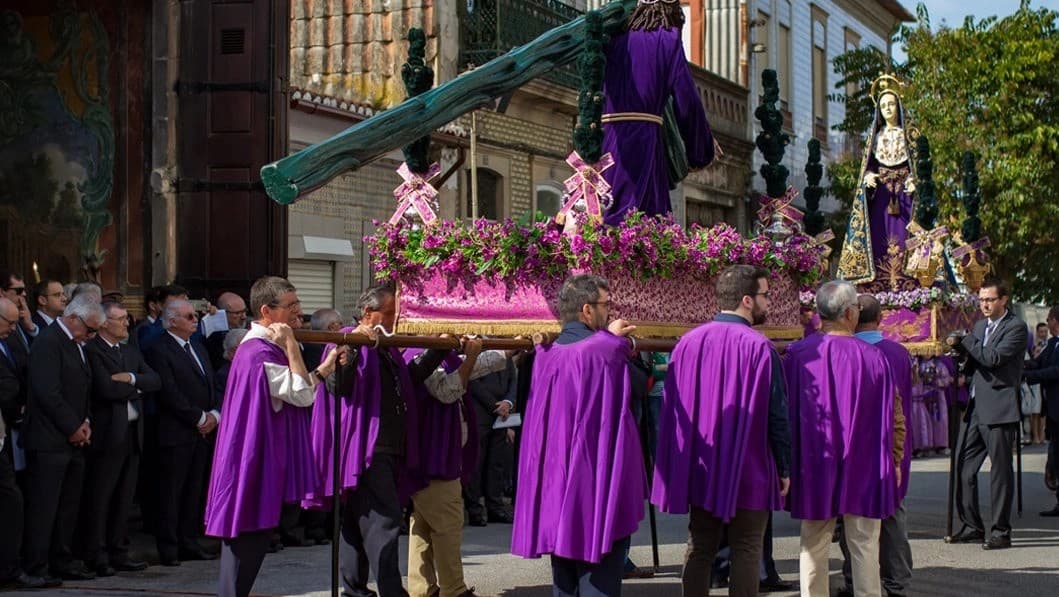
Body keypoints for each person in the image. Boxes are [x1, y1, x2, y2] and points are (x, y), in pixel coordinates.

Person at [651, 264, 791, 597]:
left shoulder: (687, 343)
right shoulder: (760, 347)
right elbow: (777, 415)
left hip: (701, 462)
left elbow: (674, 408)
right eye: (765, 296)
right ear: (747, 300)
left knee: (700, 545)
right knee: (746, 547)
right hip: (751, 464)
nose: (769, 303)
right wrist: (784, 466)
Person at [307, 283, 448, 597]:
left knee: (360, 524)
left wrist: (440, 348)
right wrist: (356, 348)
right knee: (382, 523)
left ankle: (355, 590)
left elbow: (409, 379)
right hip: (366, 450)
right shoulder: (346, 338)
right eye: (389, 314)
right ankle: (389, 592)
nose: (395, 320)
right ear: (369, 314)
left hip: (386, 446)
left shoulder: (386, 346)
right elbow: (336, 386)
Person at [511, 274, 646, 597]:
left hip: (555, 484)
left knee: (565, 580)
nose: (609, 312)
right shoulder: (603, 349)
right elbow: (638, 385)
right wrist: (617, 341)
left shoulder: (546, 352)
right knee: (598, 579)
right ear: (587, 310)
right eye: (605, 305)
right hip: (593, 484)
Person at [204, 276, 338, 597]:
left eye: (298, 304)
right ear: (267, 311)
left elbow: (296, 391)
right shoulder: (258, 352)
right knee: (246, 541)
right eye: (291, 306)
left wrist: (324, 367)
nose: (299, 313)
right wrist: (293, 345)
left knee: (253, 541)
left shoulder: (262, 349)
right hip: (250, 462)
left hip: (257, 456)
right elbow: (302, 394)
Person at [784, 281, 902, 597]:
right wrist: (895, 457)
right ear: (850, 313)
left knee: (813, 541)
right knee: (864, 543)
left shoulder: (797, 355)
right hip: (863, 461)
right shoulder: (875, 358)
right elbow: (893, 416)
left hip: (814, 462)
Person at [405, 339, 511, 597]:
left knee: (423, 526)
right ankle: (453, 590)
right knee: (448, 524)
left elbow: (470, 366)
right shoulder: (418, 352)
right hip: (434, 456)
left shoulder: (437, 353)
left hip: (434, 454)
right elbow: (448, 389)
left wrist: (510, 349)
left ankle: (423, 589)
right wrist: (473, 356)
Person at [599, 0, 715, 225]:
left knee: (602, 217)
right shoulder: (667, 39)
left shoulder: (610, 39)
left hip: (605, 146)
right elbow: (687, 101)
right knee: (648, 229)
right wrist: (701, 151)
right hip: (644, 145)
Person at [21, 297, 107, 583]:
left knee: (67, 507)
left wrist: (85, 423)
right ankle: (36, 566)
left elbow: (84, 389)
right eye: (90, 330)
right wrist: (73, 426)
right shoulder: (49, 342)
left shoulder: (75, 344)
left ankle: (62, 560)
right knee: (44, 508)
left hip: (73, 439)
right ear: (74, 318)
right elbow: (48, 391)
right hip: (48, 440)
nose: (92, 336)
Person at [837, 294, 914, 597]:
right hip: (892, 444)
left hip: (854, 446)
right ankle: (897, 582)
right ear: (880, 319)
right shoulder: (898, 353)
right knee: (893, 515)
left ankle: (853, 579)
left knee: (850, 516)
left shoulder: (847, 351)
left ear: (852, 317)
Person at [946, 278, 1027, 550]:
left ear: (1003, 300)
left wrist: (968, 340)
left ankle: (1001, 530)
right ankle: (972, 524)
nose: (985, 305)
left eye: (990, 300)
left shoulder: (1015, 328)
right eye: (981, 300)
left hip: (1000, 408)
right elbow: (975, 364)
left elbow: (993, 359)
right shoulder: (981, 326)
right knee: (963, 466)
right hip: (976, 406)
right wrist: (961, 355)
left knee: (1000, 472)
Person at [80, 301, 158, 576]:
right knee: (102, 497)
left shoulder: (129, 350)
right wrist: (136, 387)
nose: (127, 323)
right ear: (103, 323)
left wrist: (130, 378)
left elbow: (154, 380)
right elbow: (105, 389)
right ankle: (97, 553)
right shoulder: (93, 351)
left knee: (124, 497)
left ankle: (118, 549)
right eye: (121, 319)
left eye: (127, 318)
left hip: (132, 434)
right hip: (106, 435)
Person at [145, 299, 220, 565]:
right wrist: (198, 417)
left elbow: (211, 384)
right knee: (171, 493)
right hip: (175, 432)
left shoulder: (197, 347)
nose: (195, 320)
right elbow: (168, 391)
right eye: (189, 316)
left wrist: (214, 415)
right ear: (172, 320)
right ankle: (169, 547)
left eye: (196, 315)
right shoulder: (159, 349)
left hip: (202, 432)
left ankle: (189, 542)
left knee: (194, 491)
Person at [837, 76, 918, 284]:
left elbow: (916, 165)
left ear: (898, 107)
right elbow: (869, 165)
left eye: (891, 104)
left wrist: (913, 180)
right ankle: (879, 282)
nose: (888, 109)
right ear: (879, 110)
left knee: (907, 236)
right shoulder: (876, 137)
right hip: (882, 195)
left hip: (904, 196)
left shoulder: (908, 136)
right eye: (883, 105)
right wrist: (869, 176)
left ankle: (909, 282)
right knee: (879, 236)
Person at [1025, 306, 1059, 516]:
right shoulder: (1053, 344)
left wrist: (1031, 377)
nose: (1047, 323)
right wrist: (1021, 367)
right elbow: (1039, 363)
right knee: (1055, 450)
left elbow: (1056, 371)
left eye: (1049, 320)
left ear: (1055, 320)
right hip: (1053, 409)